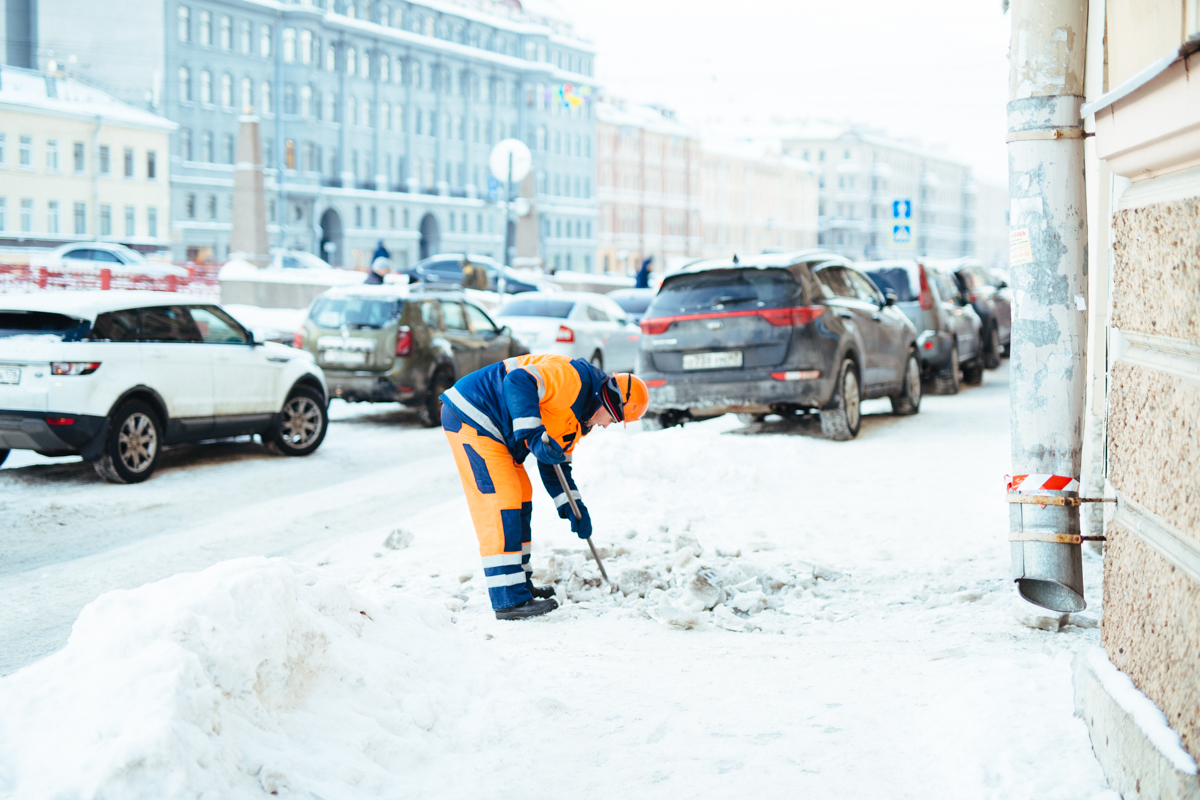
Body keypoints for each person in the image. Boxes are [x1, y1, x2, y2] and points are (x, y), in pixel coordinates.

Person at [440, 355, 649, 620]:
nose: (607, 425)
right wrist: (533, 436)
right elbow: (519, 381)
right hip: (473, 413)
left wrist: (574, 509)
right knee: (502, 501)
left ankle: (520, 584)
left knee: (522, 496)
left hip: (499, 434)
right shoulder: (571, 379)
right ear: (608, 401)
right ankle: (508, 599)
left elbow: (556, 467)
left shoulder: (579, 420)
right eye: (613, 419)